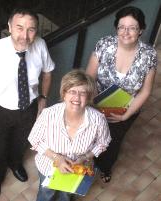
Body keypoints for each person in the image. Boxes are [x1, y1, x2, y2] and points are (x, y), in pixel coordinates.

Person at [0, 8, 55, 200]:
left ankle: (16, 163)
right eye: (19, 28)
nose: (24, 35)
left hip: (29, 106)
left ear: (36, 31)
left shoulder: (41, 45)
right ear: (9, 27)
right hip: (0, 109)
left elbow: (48, 72)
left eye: (31, 30)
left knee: (22, 141)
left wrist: (43, 99)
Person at [86, 6, 157, 183]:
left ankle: (104, 167)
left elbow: (146, 90)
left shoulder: (149, 55)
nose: (125, 32)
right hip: (96, 103)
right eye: (121, 27)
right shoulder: (104, 44)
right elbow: (89, 77)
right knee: (89, 137)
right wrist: (94, 104)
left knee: (112, 142)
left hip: (124, 109)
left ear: (141, 30)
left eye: (132, 27)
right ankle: (85, 166)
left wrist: (126, 115)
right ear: (116, 28)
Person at [28, 70, 111, 201]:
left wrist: (84, 157)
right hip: (48, 168)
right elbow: (34, 139)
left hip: (77, 169)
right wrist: (57, 158)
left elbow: (103, 143)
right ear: (64, 94)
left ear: (88, 97)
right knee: (46, 193)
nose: (77, 98)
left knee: (66, 195)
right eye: (72, 91)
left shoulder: (98, 120)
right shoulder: (48, 114)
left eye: (82, 93)